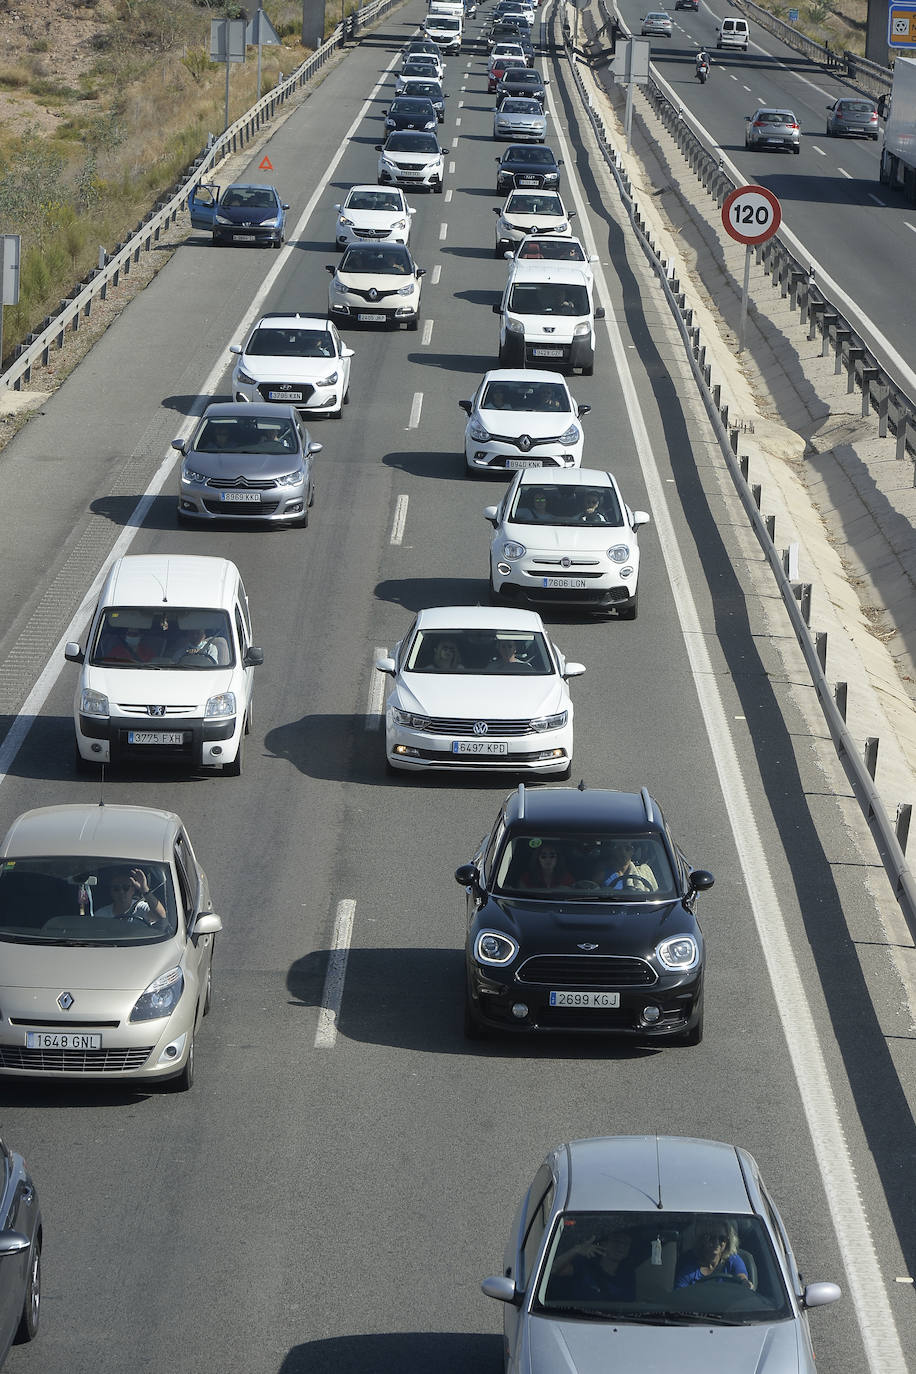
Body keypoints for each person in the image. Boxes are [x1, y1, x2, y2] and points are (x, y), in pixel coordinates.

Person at [548, 1218, 636, 1302]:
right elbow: (553, 1269)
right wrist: (576, 1250)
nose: (621, 1247)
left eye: (626, 1243)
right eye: (617, 1241)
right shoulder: (584, 1265)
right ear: (603, 1244)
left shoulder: (627, 1276)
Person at [675, 1220, 750, 1288]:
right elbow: (679, 1295)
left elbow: (741, 1277)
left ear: (728, 1241)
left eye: (722, 1238)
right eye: (711, 1238)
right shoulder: (689, 1269)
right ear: (702, 1239)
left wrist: (745, 1283)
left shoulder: (733, 1260)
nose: (716, 1243)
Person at [93, 867, 167, 928]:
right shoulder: (101, 915)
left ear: (133, 890)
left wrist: (145, 890)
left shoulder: (142, 908)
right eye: (116, 888)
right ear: (111, 892)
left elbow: (161, 916)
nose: (121, 892)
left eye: (126, 887)